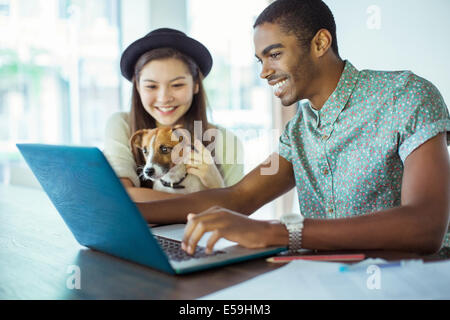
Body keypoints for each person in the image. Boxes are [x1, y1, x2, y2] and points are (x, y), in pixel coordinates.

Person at [136, 0, 450, 255]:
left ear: (320, 42)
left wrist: (276, 232)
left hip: (411, 282)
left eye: (274, 54)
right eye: (260, 60)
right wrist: (129, 214)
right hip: (325, 280)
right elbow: (239, 197)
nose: (264, 72)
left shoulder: (406, 95)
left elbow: (425, 225)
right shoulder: (299, 129)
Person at [103, 28, 244, 202]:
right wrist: (208, 199)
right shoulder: (121, 125)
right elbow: (120, 196)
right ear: (138, 87)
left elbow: (237, 213)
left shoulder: (227, 142)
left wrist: (215, 182)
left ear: (195, 86)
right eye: (151, 86)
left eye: (177, 85)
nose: (164, 98)